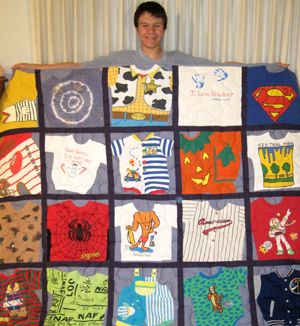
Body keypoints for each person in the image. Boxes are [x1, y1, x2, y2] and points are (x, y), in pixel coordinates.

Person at [12, 1, 286, 71]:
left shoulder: (180, 60)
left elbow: (223, 68)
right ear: (137, 29)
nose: (151, 31)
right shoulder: (121, 58)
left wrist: (267, 66)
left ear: (164, 29)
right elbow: (78, 67)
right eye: (145, 25)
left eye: (156, 25)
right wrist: (34, 68)